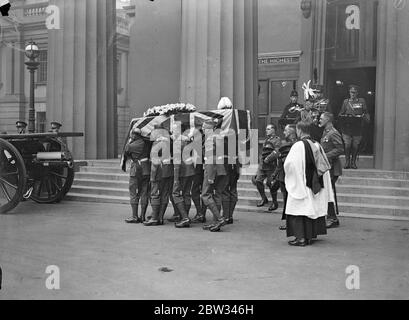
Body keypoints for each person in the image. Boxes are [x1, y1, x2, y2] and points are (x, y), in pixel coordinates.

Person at [284, 121, 333, 246]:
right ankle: (310, 236)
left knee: (299, 209)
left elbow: (290, 165)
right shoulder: (316, 144)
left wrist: (293, 179)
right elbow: (324, 165)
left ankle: (301, 238)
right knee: (312, 208)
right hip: (315, 184)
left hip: (303, 184)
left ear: (299, 130)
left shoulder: (298, 145)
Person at [264, 124, 297, 230]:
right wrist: (275, 174)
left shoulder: (294, 144)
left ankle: (291, 223)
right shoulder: (285, 144)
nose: (284, 132)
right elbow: (280, 162)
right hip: (283, 175)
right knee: (286, 199)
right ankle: (289, 222)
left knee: (290, 199)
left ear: (292, 132)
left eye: (286, 131)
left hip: (291, 176)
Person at [201, 118, 229, 232]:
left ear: (208, 128)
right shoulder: (219, 137)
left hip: (212, 169)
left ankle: (219, 218)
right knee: (217, 195)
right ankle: (215, 223)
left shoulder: (209, 139)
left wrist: (211, 176)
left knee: (205, 195)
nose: (202, 129)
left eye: (203, 127)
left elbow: (210, 158)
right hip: (221, 169)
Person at [144, 124, 173, 226]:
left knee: (154, 193)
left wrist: (152, 176)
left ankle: (154, 218)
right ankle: (160, 217)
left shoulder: (157, 143)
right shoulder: (169, 141)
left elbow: (155, 160)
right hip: (168, 170)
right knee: (164, 194)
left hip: (158, 171)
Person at [319, 112, 343, 229]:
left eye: (321, 118)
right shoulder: (326, 132)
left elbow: (340, 149)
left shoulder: (333, 133)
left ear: (328, 119)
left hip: (333, 167)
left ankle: (333, 218)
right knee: (328, 192)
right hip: (327, 166)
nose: (319, 120)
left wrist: (325, 155)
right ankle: (331, 216)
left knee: (329, 192)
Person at [338, 84, 370, 169]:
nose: (353, 94)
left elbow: (366, 112)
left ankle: (353, 162)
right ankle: (347, 161)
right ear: (349, 92)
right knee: (347, 144)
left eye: (354, 92)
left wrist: (365, 118)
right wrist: (344, 117)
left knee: (355, 145)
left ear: (357, 93)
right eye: (351, 92)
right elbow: (341, 113)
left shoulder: (361, 101)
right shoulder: (346, 102)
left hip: (357, 126)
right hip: (347, 126)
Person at [123, 127, 151, 224]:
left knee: (133, 192)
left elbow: (126, 152)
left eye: (132, 134)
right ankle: (143, 216)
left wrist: (130, 140)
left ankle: (134, 216)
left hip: (136, 170)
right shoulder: (146, 143)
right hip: (146, 169)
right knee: (144, 193)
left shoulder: (131, 145)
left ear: (134, 135)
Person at [253, 124, 281, 210]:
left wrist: (268, 159)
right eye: (266, 129)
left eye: (268, 129)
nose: (266, 131)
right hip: (263, 166)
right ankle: (264, 198)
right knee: (258, 180)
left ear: (273, 130)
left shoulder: (277, 140)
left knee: (271, 184)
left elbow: (277, 152)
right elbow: (262, 155)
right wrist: (258, 168)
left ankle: (274, 203)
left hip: (271, 166)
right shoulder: (266, 140)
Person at [172, 123, 195, 228]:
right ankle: (185, 217)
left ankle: (184, 217)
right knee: (186, 194)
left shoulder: (178, 142)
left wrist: (176, 178)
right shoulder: (187, 139)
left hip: (181, 171)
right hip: (190, 169)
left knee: (175, 194)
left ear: (178, 130)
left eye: (173, 130)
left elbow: (177, 161)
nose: (172, 132)